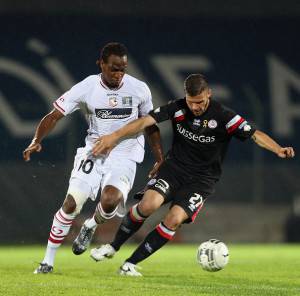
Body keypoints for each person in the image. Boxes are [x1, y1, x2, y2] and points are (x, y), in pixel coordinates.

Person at [87, 74, 295, 276]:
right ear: (185, 96)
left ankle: (130, 264)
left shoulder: (224, 116)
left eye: (200, 102)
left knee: (174, 219)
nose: (195, 107)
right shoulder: (177, 108)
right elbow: (144, 122)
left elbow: (255, 134)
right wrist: (113, 136)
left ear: (209, 94)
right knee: (148, 205)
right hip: (174, 169)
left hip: (202, 180)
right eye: (191, 102)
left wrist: (277, 149)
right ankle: (113, 247)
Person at [23, 42, 163, 274]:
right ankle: (47, 261)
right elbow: (55, 115)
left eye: (123, 69)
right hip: (94, 149)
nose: (119, 74)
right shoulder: (87, 87)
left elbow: (150, 125)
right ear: (101, 64)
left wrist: (159, 157)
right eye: (113, 69)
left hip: (126, 153)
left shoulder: (139, 89)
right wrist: (36, 140)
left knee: (109, 200)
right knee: (71, 203)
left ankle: (90, 225)